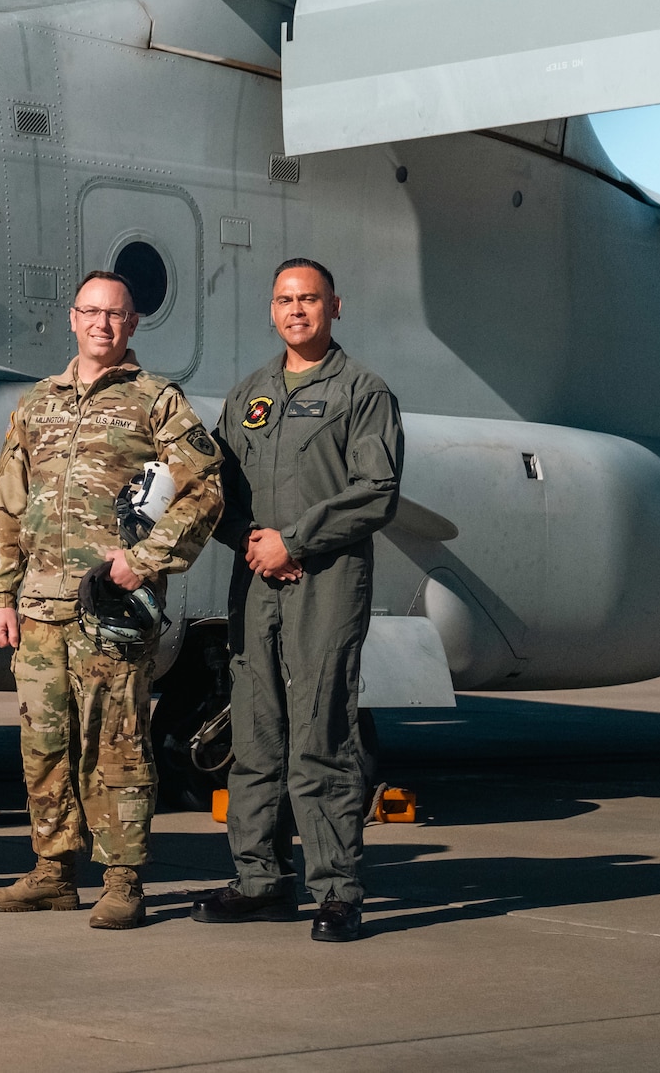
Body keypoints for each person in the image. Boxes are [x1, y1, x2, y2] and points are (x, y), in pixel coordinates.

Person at [0, 271, 223, 928]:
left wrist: (144, 562)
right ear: (72, 317)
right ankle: (53, 869)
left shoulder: (155, 401)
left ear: (133, 324)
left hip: (108, 613)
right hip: (37, 609)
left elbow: (203, 489)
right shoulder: (38, 402)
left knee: (115, 742)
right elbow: (7, 505)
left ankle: (123, 878)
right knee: (43, 741)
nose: (102, 324)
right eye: (91, 312)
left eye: (116, 314)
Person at [191, 258, 402, 944]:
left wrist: (296, 543)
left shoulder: (363, 392)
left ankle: (337, 888)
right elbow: (215, 488)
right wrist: (251, 540)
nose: (297, 310)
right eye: (286, 299)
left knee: (322, 737)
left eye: (309, 298)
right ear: (271, 309)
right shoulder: (248, 392)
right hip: (256, 581)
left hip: (326, 584)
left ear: (335, 306)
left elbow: (376, 490)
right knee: (254, 736)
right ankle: (258, 878)